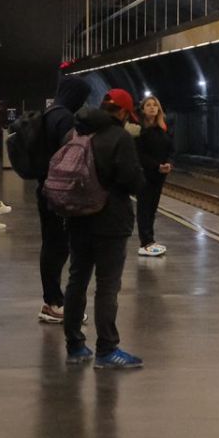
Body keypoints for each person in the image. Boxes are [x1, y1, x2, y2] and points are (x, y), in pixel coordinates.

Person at [58, 88, 145, 368]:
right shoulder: (120, 138)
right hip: (110, 222)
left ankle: (75, 347)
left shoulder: (75, 133)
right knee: (107, 287)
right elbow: (133, 182)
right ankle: (107, 350)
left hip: (77, 218)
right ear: (121, 112)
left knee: (76, 281)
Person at [33, 78, 91, 324]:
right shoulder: (64, 118)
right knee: (58, 246)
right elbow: (70, 156)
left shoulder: (49, 113)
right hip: (58, 190)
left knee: (52, 244)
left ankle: (52, 299)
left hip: (45, 187)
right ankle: (53, 302)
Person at [135, 95, 174, 257]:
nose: (152, 108)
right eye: (148, 105)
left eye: (155, 105)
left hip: (159, 175)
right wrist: (156, 165)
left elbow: (170, 149)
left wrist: (168, 163)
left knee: (152, 209)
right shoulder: (139, 130)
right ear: (143, 109)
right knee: (144, 208)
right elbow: (139, 153)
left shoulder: (163, 129)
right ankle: (145, 242)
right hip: (145, 174)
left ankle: (150, 240)